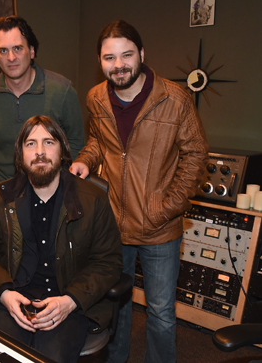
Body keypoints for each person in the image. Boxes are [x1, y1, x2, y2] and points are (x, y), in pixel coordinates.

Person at [70, 20, 209, 363]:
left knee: (160, 313)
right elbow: (98, 143)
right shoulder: (96, 98)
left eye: (126, 55)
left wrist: (167, 206)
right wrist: (85, 161)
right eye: (109, 58)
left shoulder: (174, 99)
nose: (118, 65)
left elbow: (196, 154)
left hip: (160, 226)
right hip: (113, 223)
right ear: (100, 61)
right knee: (116, 306)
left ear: (141, 54)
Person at [0, 115, 123, 363]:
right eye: (31, 144)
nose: (40, 152)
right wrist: (4, 293)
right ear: (20, 155)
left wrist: (71, 300)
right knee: (2, 358)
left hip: (68, 301)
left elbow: (109, 262)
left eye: (48, 142)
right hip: (13, 297)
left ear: (62, 150)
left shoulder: (93, 199)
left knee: (49, 358)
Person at [0, 15, 84, 187]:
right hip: (2, 189)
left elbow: (75, 142)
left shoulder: (63, 90)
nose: (11, 57)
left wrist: (70, 186)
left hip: (51, 189)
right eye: (3, 50)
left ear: (31, 51)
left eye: (17, 48)